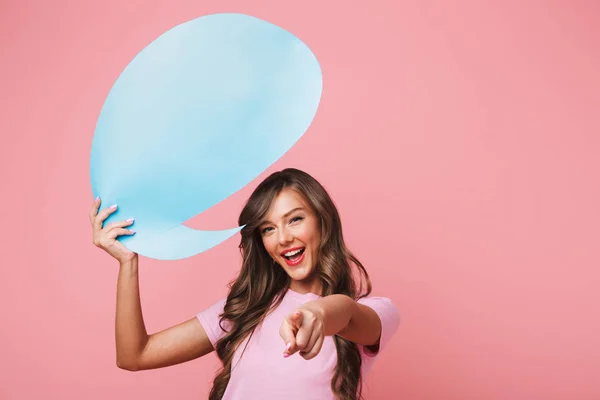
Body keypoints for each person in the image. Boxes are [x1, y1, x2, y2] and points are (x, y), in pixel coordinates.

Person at [90, 168, 400, 400]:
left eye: (295, 219)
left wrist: (317, 314)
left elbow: (345, 312)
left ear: (322, 221)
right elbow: (135, 355)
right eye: (268, 229)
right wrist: (128, 262)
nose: (283, 238)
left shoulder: (376, 313)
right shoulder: (247, 309)